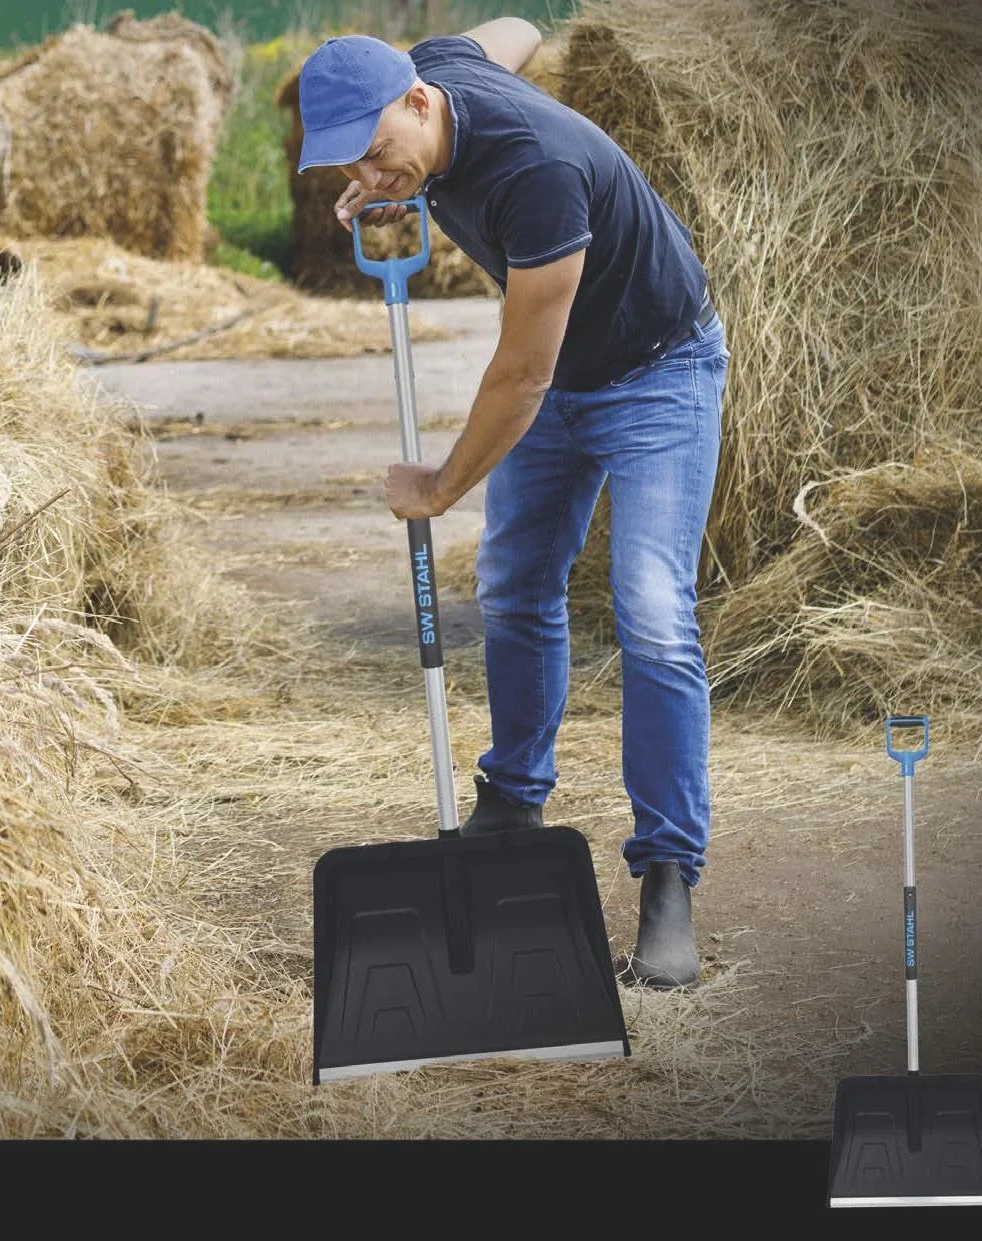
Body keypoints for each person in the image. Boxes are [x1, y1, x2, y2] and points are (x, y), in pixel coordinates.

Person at [294, 19, 730, 989]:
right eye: (348, 163)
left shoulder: (531, 172)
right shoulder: (438, 74)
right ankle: (513, 797)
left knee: (651, 615)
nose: (369, 172)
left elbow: (521, 374)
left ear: (415, 103)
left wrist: (440, 486)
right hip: (565, 377)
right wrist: (385, 173)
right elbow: (517, 28)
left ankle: (666, 873)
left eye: (373, 151)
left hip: (655, 374)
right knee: (516, 583)